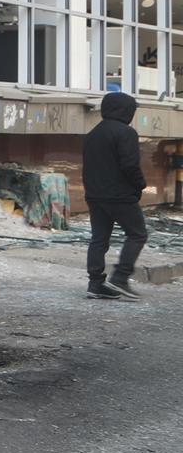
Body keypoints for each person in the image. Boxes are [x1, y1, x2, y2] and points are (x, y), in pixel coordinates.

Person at [83, 91, 150, 300]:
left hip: (95, 195)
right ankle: (120, 278)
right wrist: (140, 185)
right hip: (120, 196)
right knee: (137, 234)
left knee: (99, 239)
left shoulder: (92, 133)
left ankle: (95, 284)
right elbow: (130, 165)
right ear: (125, 110)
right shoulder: (126, 132)